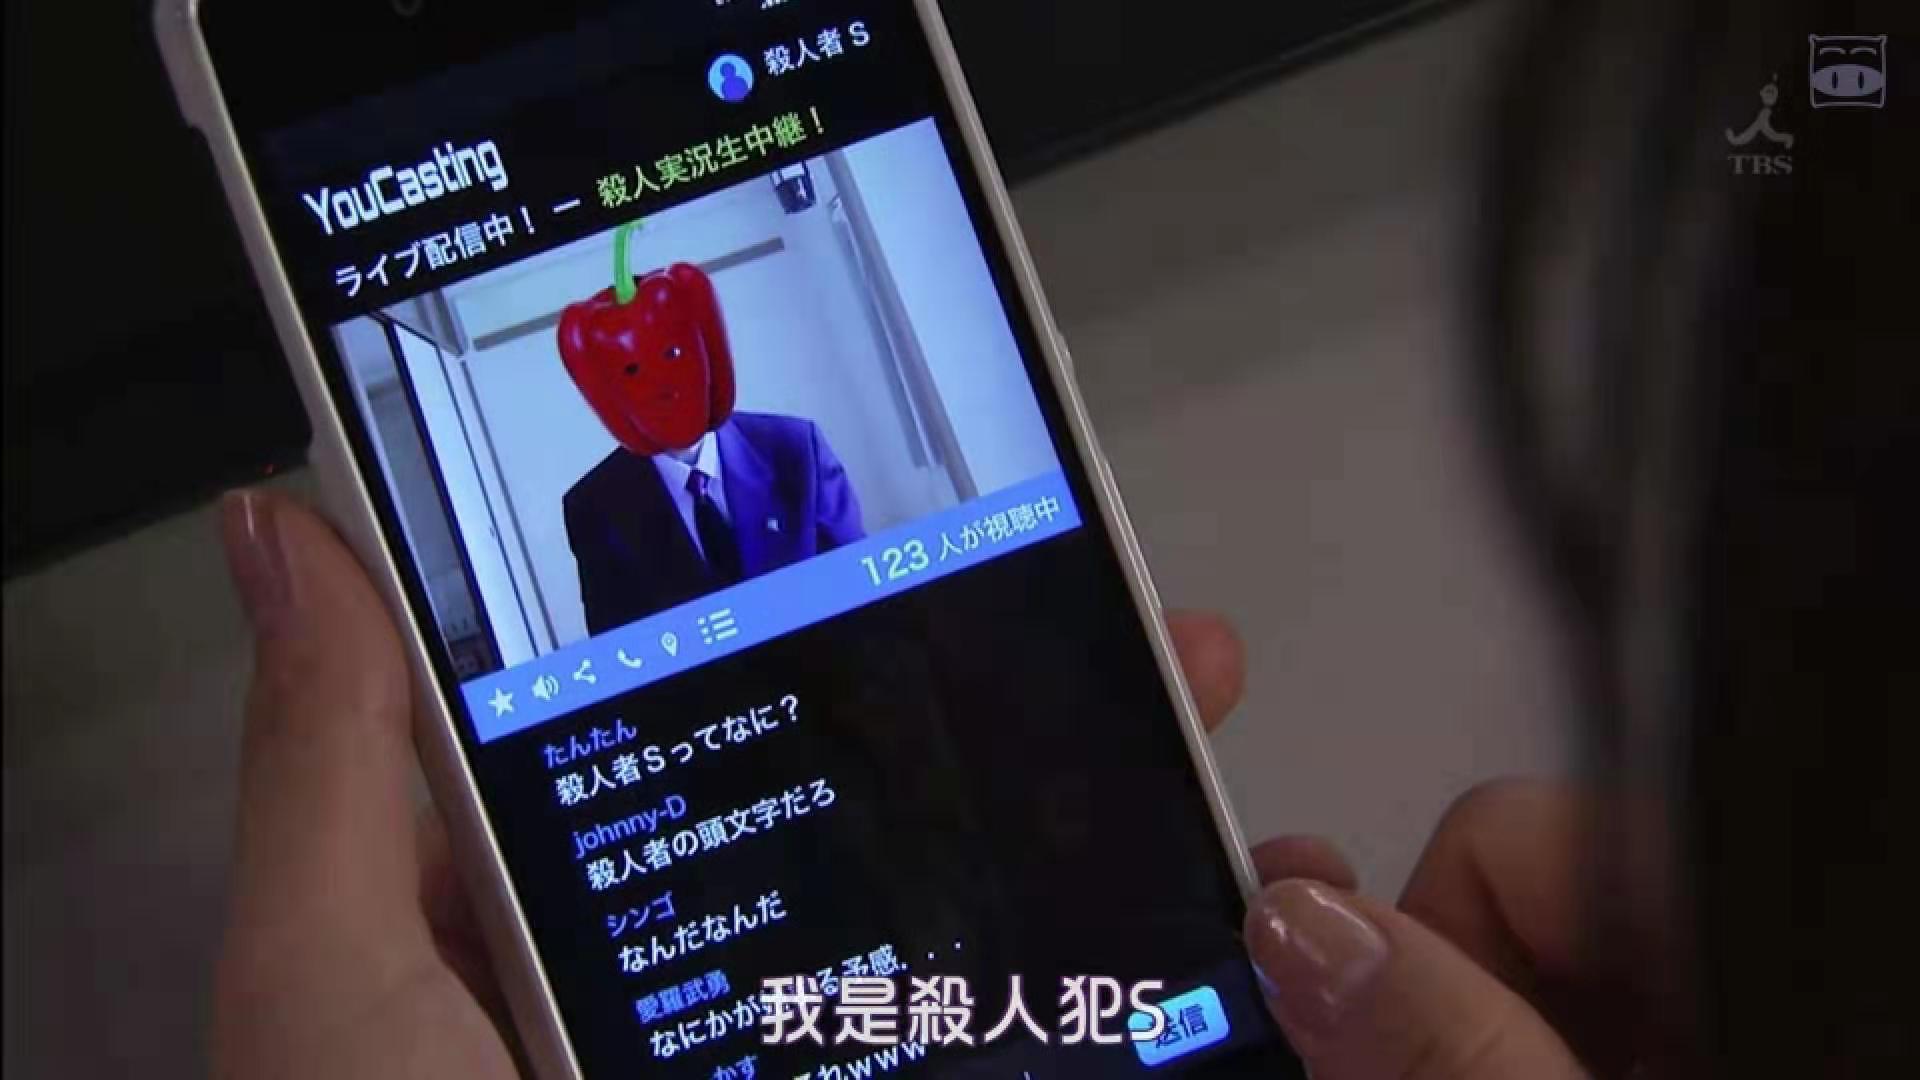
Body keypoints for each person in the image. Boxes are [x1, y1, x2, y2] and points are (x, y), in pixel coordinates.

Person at [208, 0, 1914, 1073]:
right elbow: (611, 637)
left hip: (895, 748)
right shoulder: (592, 503)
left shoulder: (797, 444)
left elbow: (850, 559)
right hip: (733, 819)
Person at [557, 261, 864, 633]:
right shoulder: (593, 506)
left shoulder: (796, 449)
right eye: (632, 370)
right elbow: (622, 645)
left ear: (705, 347)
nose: (661, 386)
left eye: (672, 354)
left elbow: (860, 590)